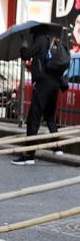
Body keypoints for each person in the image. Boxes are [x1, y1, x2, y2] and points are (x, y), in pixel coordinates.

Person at [12, 27, 70, 165]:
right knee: (50, 116)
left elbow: (26, 55)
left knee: (34, 118)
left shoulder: (40, 39)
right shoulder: (54, 40)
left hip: (43, 83)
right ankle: (57, 147)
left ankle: (29, 155)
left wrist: (24, 45)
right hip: (55, 83)